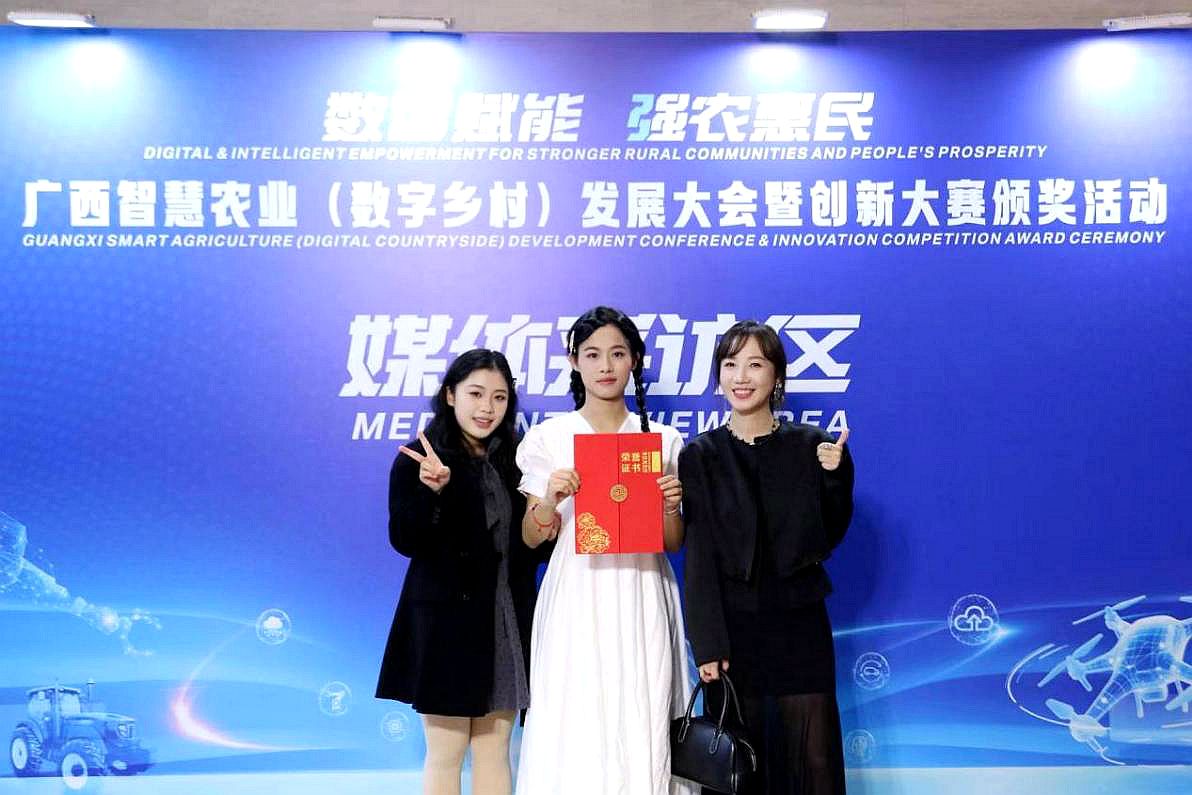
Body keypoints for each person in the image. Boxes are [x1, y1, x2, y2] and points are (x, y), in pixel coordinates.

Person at [514, 306, 695, 795]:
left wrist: (670, 506)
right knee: (576, 708)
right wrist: (549, 499)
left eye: (617, 353)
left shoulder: (662, 440)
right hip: (577, 589)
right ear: (574, 362)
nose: (605, 366)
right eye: (592, 355)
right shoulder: (550, 438)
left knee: (645, 701)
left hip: (643, 587)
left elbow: (673, 542)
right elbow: (533, 536)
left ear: (634, 360)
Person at [679, 320, 854, 795]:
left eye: (755, 364)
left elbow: (830, 532)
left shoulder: (811, 445)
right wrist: (707, 644)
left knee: (814, 757)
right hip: (734, 631)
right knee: (739, 764)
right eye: (730, 364)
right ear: (718, 377)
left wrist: (836, 476)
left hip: (800, 621)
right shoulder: (700, 455)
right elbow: (699, 556)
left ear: (776, 376)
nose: (741, 376)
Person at [376, 349, 548, 795]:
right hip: (446, 625)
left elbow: (529, 549)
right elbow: (405, 540)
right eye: (475, 394)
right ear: (450, 395)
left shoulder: (519, 461)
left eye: (499, 397)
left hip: (504, 622)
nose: (486, 408)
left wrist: (549, 515)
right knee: (446, 754)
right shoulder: (420, 458)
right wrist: (433, 493)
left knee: (495, 752)